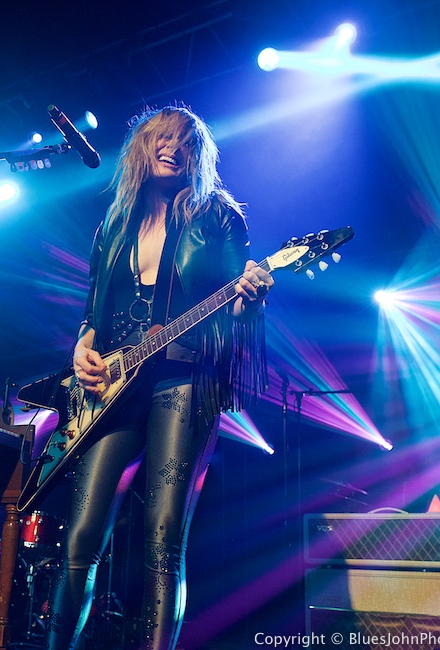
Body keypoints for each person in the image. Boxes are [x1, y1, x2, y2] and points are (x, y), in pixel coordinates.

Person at [45, 104, 271, 650]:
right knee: (80, 538)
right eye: (160, 138)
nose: (171, 147)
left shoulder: (218, 217)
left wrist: (251, 299)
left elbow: (236, 315)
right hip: (113, 388)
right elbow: (94, 307)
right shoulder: (114, 224)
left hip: (186, 379)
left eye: (184, 142)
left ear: (198, 156)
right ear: (142, 149)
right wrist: (83, 346)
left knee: (163, 539)